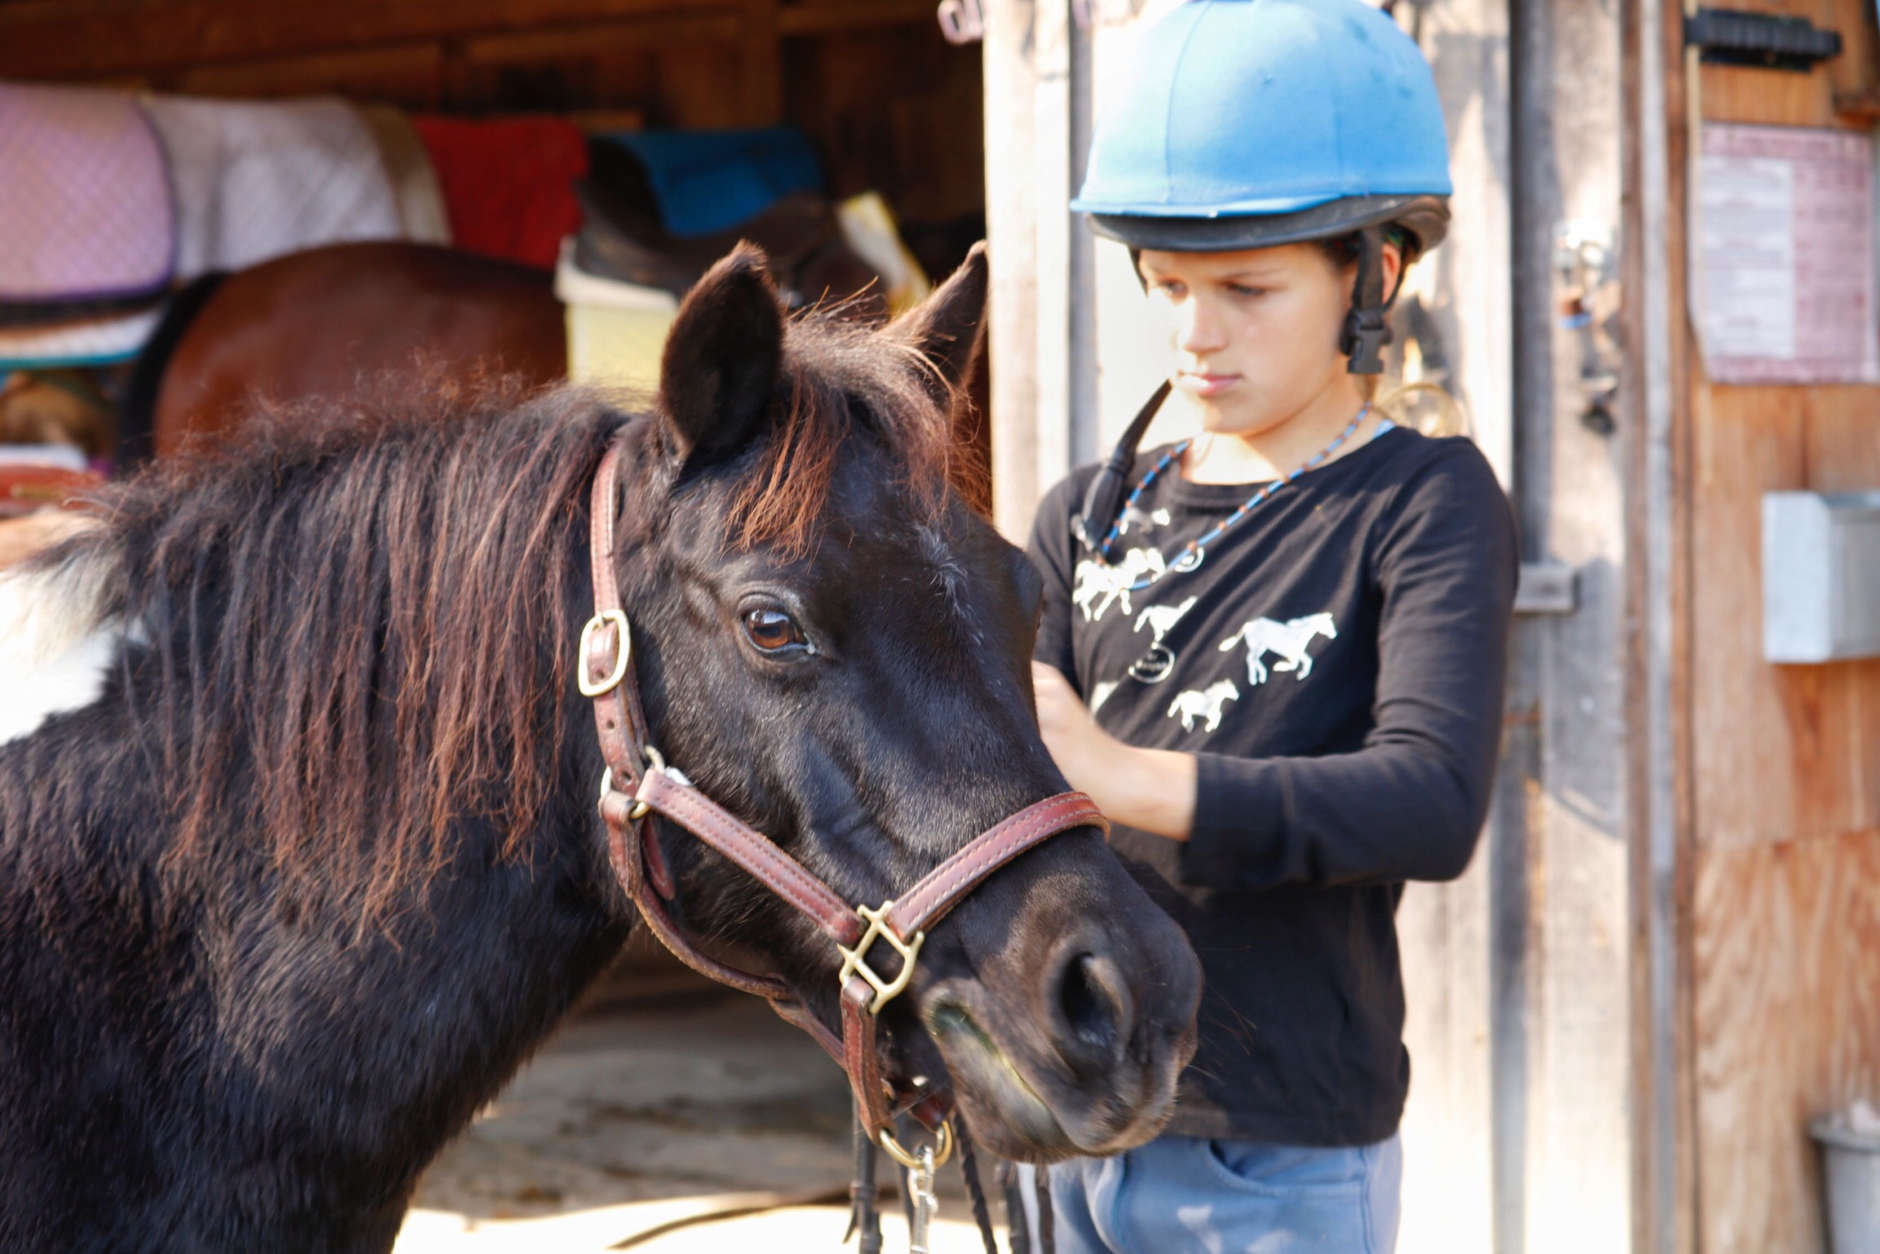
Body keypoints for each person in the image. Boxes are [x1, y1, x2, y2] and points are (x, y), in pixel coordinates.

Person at [1022, 1, 1519, 1250]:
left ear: (1375, 272)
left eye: (1247, 287)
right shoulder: (1084, 511)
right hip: (1060, 1110)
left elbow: (1428, 800)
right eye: (1171, 282)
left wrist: (1117, 777)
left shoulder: (1421, 500)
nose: (1195, 332)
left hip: (1274, 1145)